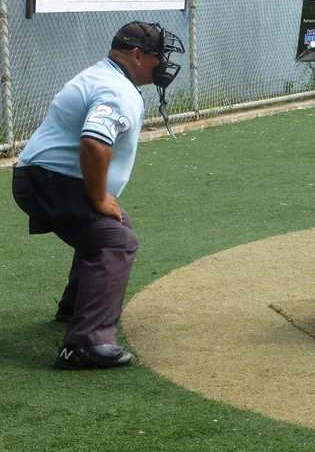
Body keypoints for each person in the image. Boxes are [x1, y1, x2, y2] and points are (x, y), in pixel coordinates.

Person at [11, 22, 185, 370]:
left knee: (109, 227)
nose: (162, 63)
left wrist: (100, 202)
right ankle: (84, 344)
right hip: (50, 181)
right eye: (158, 56)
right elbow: (93, 141)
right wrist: (99, 197)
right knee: (116, 241)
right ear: (137, 55)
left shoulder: (103, 75)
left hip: (42, 177)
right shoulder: (115, 89)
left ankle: (76, 308)